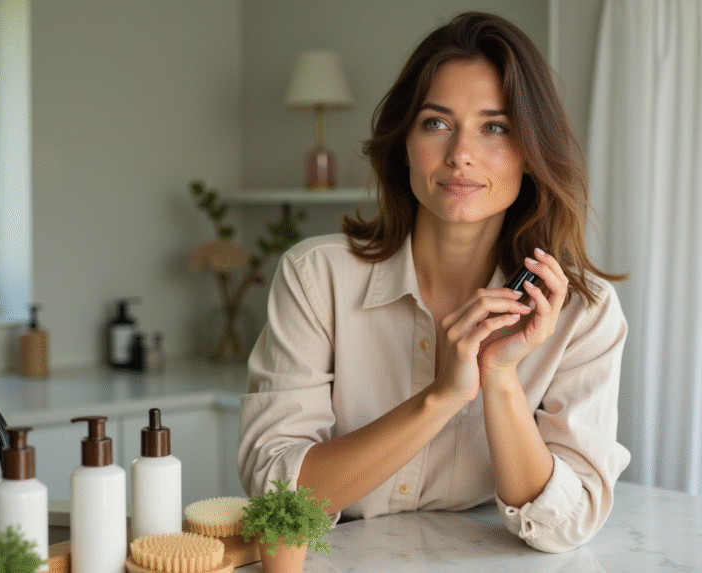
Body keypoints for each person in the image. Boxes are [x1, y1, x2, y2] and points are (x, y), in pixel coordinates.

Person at [238, 12, 630, 554]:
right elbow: (274, 492)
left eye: (496, 127)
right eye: (437, 123)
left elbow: (565, 525)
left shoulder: (584, 313)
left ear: (531, 153)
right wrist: (442, 397)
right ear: (403, 140)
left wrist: (500, 377)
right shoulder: (315, 278)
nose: (459, 155)